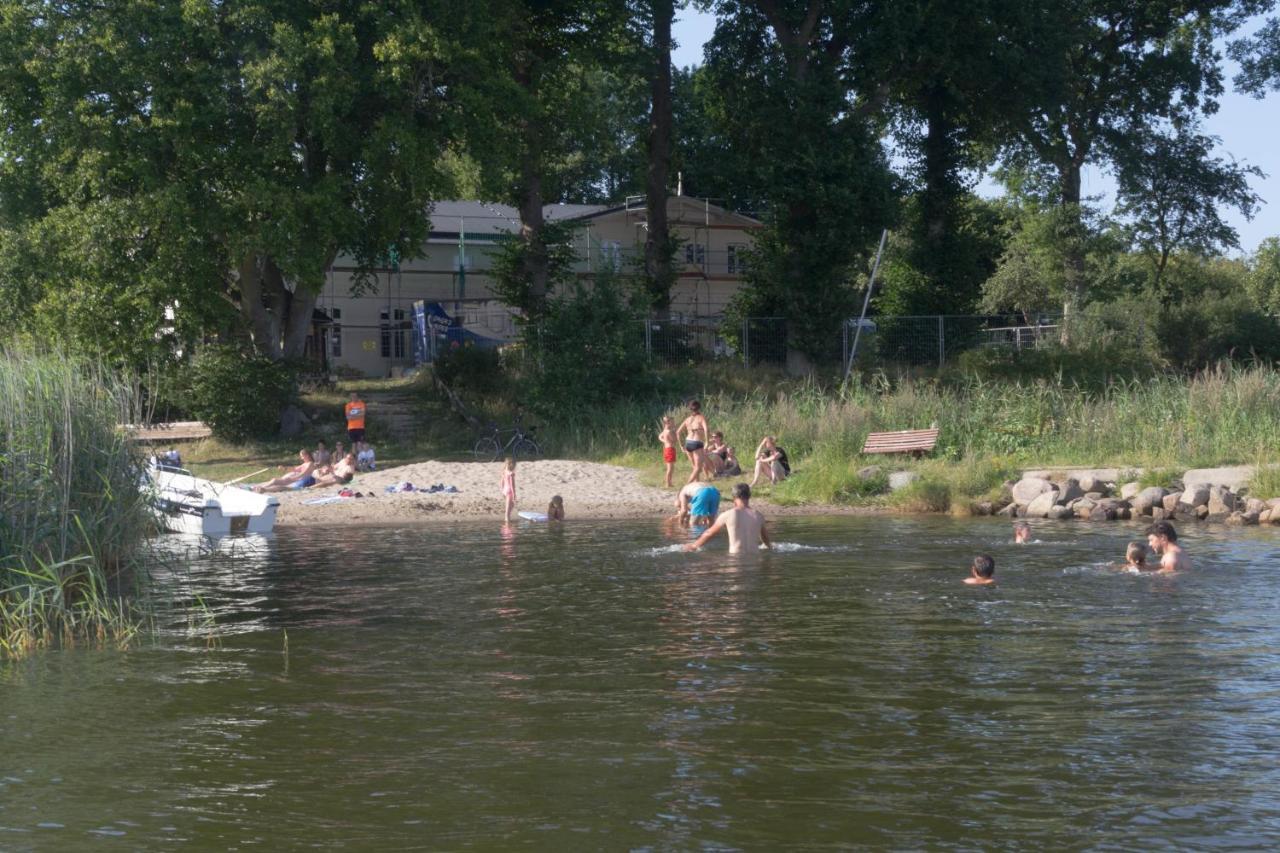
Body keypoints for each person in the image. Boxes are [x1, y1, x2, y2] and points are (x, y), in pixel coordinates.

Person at [684, 483, 771, 554]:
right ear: (749, 496)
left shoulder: (728, 514)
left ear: (733, 497)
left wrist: (694, 546)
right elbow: (765, 536)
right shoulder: (758, 515)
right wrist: (769, 546)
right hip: (754, 560)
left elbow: (709, 533)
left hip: (736, 559)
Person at [677, 400, 710, 484]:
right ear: (699, 408)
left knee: (694, 467)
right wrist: (707, 442)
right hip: (696, 442)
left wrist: (681, 446)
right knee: (698, 468)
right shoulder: (701, 418)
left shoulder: (687, 419)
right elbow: (706, 429)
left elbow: (678, 432)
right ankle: (687, 485)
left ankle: (696, 485)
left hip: (688, 442)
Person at [658, 417, 678, 488]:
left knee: (669, 468)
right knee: (670, 468)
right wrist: (675, 432)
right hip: (670, 449)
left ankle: (669, 482)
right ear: (668, 423)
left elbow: (659, 436)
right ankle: (668, 483)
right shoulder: (669, 431)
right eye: (672, 422)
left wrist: (664, 441)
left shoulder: (665, 430)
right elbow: (675, 440)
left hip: (667, 449)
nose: (673, 423)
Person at [501, 457, 517, 522]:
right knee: (508, 509)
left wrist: (502, 490)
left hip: (505, 489)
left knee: (511, 504)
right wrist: (514, 495)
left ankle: (507, 516)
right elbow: (512, 485)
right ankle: (507, 525)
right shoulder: (511, 474)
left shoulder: (504, 472)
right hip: (509, 491)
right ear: (511, 465)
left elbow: (501, 482)